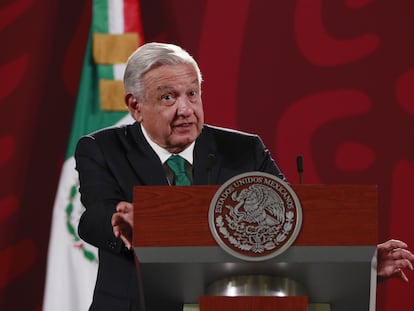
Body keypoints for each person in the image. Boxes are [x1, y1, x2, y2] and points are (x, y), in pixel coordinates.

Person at [75, 42, 414, 311]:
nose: (186, 109)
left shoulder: (243, 149)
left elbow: (294, 228)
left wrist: (362, 263)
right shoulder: (102, 148)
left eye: (192, 93)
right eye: (168, 97)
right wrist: (129, 222)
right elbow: (94, 219)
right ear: (135, 106)